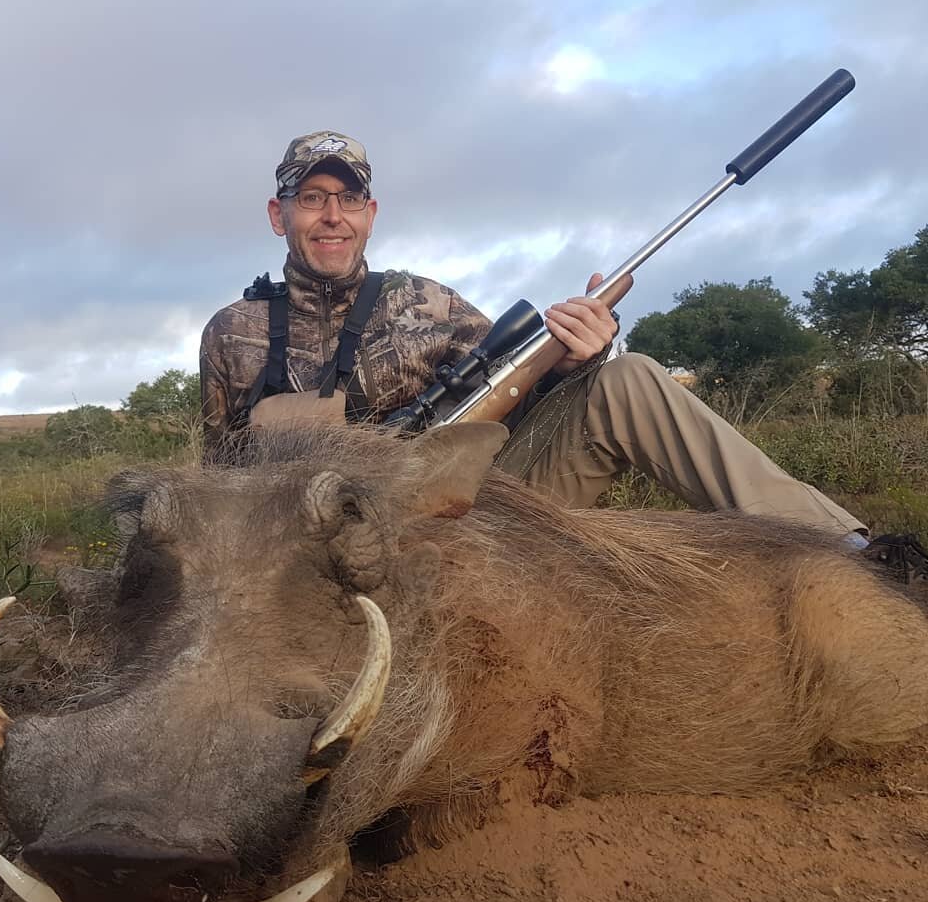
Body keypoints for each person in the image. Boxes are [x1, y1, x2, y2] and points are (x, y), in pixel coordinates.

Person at [199, 130, 925, 574]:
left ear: (371, 215)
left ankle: (858, 562)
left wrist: (578, 359)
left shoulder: (429, 303)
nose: (332, 216)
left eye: (348, 200)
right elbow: (217, 481)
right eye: (312, 197)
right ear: (279, 214)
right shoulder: (232, 333)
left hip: (463, 525)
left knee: (628, 379)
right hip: (311, 559)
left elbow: (522, 394)